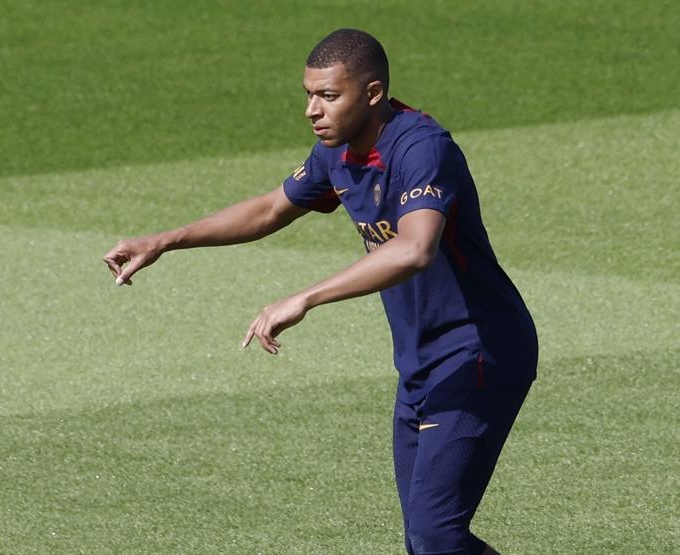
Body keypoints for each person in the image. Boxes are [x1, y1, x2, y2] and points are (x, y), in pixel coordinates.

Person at [103, 28, 536, 555]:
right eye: (309, 94)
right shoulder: (337, 152)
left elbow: (414, 247)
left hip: (479, 351)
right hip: (420, 360)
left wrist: (305, 297)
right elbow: (268, 210)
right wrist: (167, 240)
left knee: (436, 536)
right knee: (425, 542)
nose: (313, 109)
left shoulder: (422, 148)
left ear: (372, 93)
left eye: (328, 95)